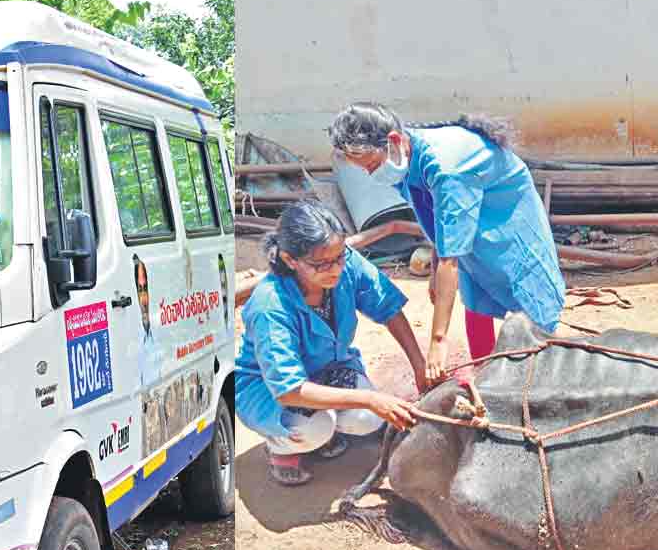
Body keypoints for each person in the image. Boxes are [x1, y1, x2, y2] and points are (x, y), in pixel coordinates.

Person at [328, 103, 566, 383]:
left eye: (371, 165)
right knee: (473, 289)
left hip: (506, 210)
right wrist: (434, 269)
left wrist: (438, 342)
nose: (371, 174)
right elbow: (434, 217)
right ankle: (485, 374)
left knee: (526, 285)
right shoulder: (404, 155)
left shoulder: (446, 168)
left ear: (392, 140)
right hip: (467, 198)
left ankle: (544, 374)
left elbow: (450, 259)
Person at [235, 200, 428, 486]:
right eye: (322, 264)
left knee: (366, 420)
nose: (335, 269)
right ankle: (281, 448)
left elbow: (387, 306)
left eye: (339, 257)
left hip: (330, 368)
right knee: (315, 430)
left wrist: (420, 366)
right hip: (268, 388)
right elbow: (289, 390)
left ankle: (327, 427)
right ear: (290, 260)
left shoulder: (344, 262)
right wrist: (371, 398)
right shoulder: (270, 306)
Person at [133, 254, 163, 387]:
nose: (144, 299)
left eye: (145, 289)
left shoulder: (157, 333)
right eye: (140, 290)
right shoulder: (133, 344)